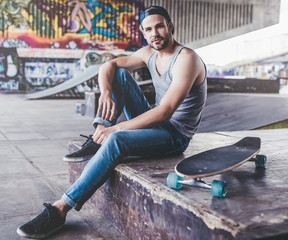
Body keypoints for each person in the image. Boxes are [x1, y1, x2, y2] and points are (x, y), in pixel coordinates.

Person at [17, 5, 207, 239]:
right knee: (118, 74)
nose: (154, 33)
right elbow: (108, 65)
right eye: (148, 29)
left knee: (117, 140)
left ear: (170, 26)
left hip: (175, 135)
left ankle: (60, 209)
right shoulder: (149, 53)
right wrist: (105, 93)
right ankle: (98, 134)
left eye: (159, 26)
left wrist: (115, 128)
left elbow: (166, 111)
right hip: (156, 123)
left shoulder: (186, 58)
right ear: (143, 33)